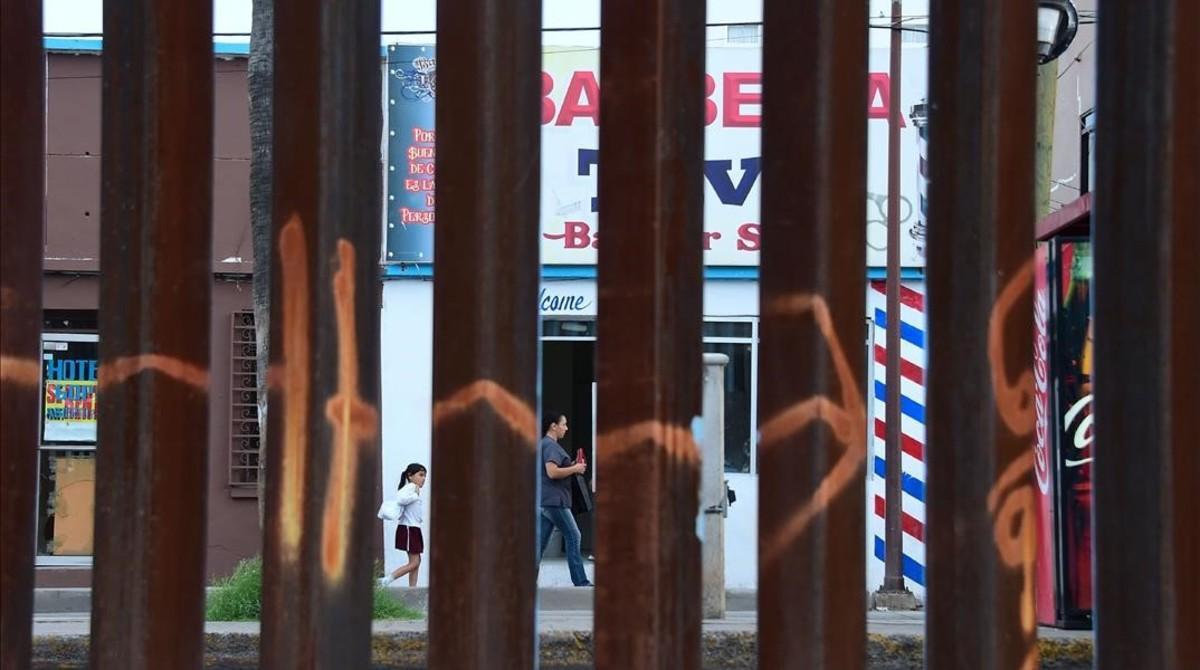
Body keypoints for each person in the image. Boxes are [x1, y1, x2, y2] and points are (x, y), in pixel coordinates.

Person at [537, 412, 592, 587]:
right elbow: (552, 472)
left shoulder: (544, 445)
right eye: (564, 424)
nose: (566, 428)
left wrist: (572, 466)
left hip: (547, 501)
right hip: (555, 501)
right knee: (574, 535)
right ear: (553, 426)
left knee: (539, 544)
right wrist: (575, 468)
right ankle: (580, 580)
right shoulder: (551, 446)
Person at [380, 463, 427, 587]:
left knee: (416, 562)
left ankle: (413, 589)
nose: (423, 479)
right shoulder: (411, 487)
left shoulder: (413, 488)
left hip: (414, 528)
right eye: (421, 475)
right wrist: (415, 495)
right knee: (415, 562)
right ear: (410, 476)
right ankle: (385, 581)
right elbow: (400, 499)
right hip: (408, 528)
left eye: (425, 476)